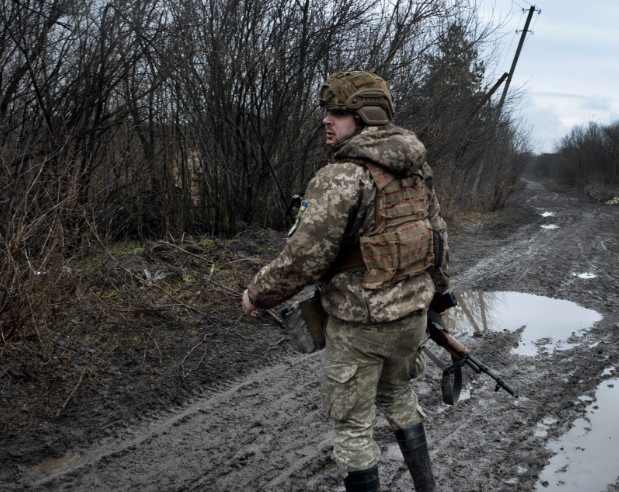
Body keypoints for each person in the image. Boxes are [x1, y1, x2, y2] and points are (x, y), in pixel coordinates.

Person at [242, 70, 449, 492]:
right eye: (327, 111)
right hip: (410, 317)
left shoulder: (342, 176)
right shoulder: (417, 169)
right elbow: (438, 239)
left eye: (338, 112)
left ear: (367, 115)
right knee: (399, 399)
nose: (327, 119)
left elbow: (302, 260)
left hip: (361, 327)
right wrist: (438, 294)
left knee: (353, 426)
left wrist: (257, 295)